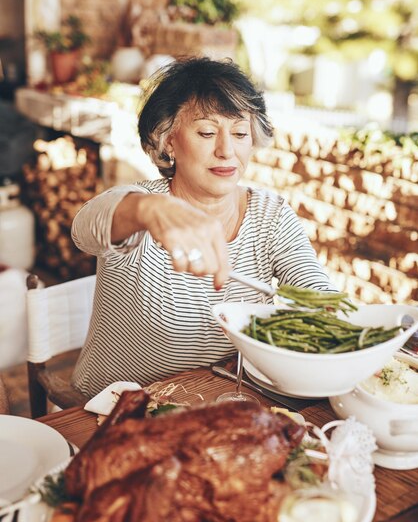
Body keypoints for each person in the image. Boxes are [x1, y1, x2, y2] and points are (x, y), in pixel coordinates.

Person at [71, 57, 334, 397]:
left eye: (240, 133)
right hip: (113, 410)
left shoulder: (270, 215)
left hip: (214, 405)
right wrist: (150, 211)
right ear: (168, 141)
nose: (227, 150)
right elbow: (84, 229)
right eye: (207, 132)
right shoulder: (141, 208)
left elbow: (316, 294)